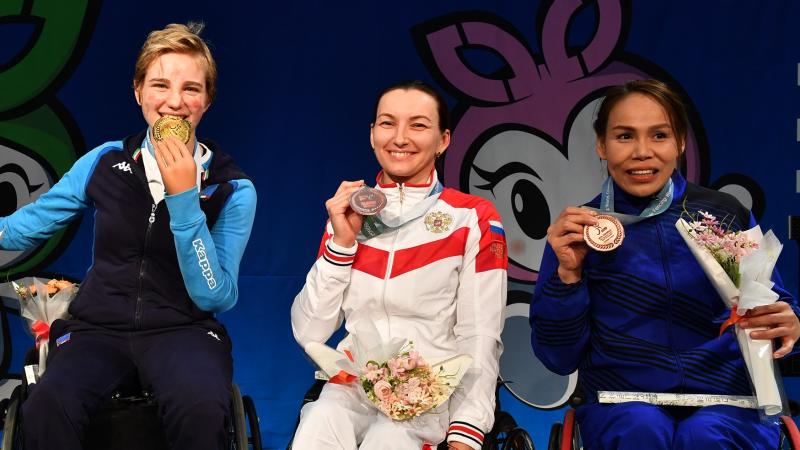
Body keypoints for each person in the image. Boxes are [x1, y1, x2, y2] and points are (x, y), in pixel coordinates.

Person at [0, 23, 256, 449]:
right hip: (97, 328)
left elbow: (216, 296)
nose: (175, 102)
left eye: (191, 88)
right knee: (46, 405)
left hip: (184, 330)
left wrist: (185, 202)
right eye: (160, 84)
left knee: (201, 409)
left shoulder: (232, 187)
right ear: (138, 92)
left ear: (207, 100)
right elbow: (26, 227)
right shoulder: (105, 161)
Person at [530, 79, 800, 449]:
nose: (643, 152)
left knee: (705, 435)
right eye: (625, 136)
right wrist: (568, 277)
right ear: (601, 145)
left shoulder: (724, 215)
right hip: (622, 402)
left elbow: (777, 318)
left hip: (728, 400)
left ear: (681, 143)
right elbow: (557, 357)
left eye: (659, 136)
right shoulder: (580, 231)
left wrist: (788, 323)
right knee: (641, 428)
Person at [290, 80, 508, 449]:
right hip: (352, 388)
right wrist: (341, 245)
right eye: (387, 123)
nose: (400, 138)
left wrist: (467, 429)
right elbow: (309, 329)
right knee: (317, 424)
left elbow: (481, 334)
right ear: (373, 134)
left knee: (387, 441)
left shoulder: (472, 218)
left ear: (443, 140)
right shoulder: (348, 213)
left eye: (419, 125)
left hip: (432, 397)